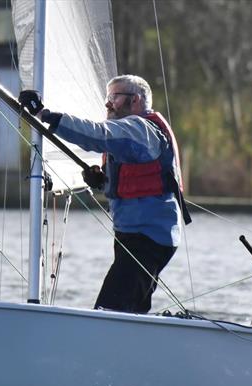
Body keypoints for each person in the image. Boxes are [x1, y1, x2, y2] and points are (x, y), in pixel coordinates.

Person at [18, 75, 190, 314]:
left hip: (148, 237)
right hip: (137, 234)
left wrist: (45, 115)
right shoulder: (132, 133)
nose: (108, 104)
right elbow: (133, 176)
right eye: (107, 97)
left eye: (114, 97)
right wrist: (103, 180)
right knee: (130, 310)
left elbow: (97, 134)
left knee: (110, 309)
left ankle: (106, 343)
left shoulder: (140, 129)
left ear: (135, 101)